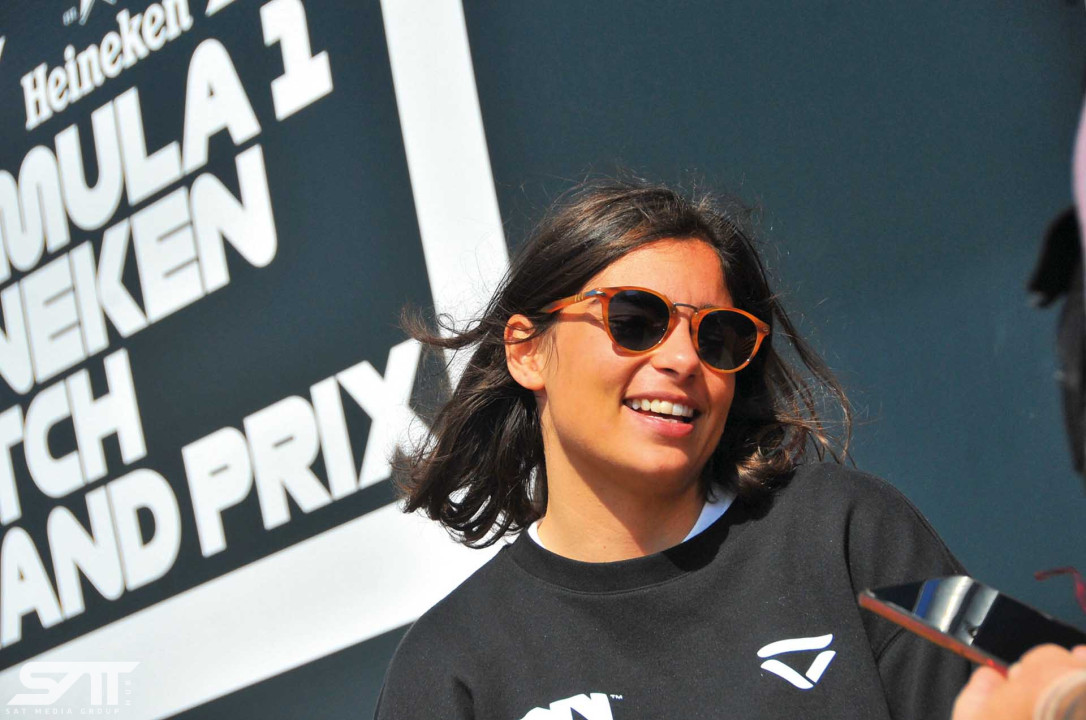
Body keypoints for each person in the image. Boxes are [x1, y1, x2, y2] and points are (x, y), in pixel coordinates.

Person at [374, 179, 971, 719]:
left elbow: (1020, 687)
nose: (684, 359)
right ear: (527, 351)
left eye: (719, 336)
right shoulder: (447, 670)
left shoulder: (854, 531)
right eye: (634, 320)